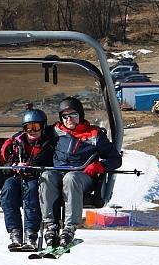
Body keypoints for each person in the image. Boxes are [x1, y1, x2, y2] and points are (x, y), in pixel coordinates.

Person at [36, 97, 123, 250]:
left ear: (80, 115)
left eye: (73, 115)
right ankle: (51, 225)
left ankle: (69, 228)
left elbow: (115, 159)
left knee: (71, 178)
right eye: (65, 116)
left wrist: (99, 166)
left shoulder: (94, 134)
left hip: (82, 177)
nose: (69, 119)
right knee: (46, 176)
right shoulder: (55, 131)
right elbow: (31, 134)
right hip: (59, 174)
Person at [0, 108, 52, 249]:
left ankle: (31, 233)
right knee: (8, 188)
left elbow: (49, 163)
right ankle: (15, 232)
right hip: (17, 177)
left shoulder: (48, 144)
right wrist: (14, 166)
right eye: (28, 127)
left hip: (37, 178)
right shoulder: (16, 143)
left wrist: (32, 168)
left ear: (43, 127)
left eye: (36, 127)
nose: (32, 131)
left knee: (32, 190)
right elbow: (4, 166)